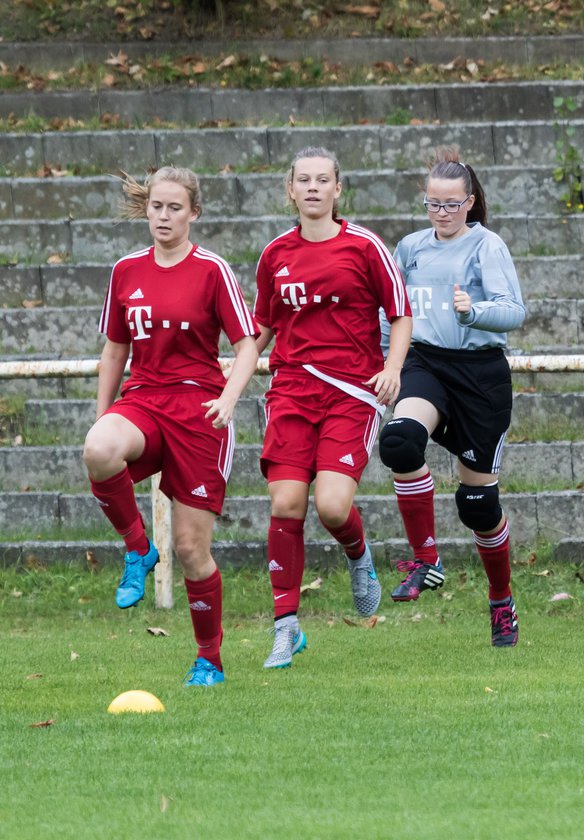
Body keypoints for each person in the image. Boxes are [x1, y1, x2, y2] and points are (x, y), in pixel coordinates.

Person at [83, 166, 259, 687]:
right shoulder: (126, 270)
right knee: (98, 448)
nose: (163, 216)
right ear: (147, 210)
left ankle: (209, 658)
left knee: (190, 549)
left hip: (200, 411)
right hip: (145, 400)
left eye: (174, 208)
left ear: (193, 213)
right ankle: (138, 548)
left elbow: (247, 345)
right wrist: (104, 412)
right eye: (156, 207)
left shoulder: (211, 270)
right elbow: (115, 349)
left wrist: (229, 399)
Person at [254, 146, 412, 668]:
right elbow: (261, 329)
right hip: (293, 390)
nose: (314, 187)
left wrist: (391, 368)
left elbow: (401, 313)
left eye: (324, 179)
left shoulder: (365, 246)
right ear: (291, 191)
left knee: (332, 506)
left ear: (338, 189)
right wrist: (229, 378)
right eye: (305, 180)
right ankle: (286, 627)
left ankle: (357, 555)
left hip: (351, 392)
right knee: (286, 505)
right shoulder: (275, 254)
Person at [377, 146, 527, 648]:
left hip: (480, 376)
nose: (440, 213)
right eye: (432, 204)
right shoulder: (410, 247)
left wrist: (474, 310)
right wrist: (388, 363)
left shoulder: (487, 247)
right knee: (398, 442)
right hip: (427, 363)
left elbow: (513, 312)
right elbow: (392, 312)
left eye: (450, 204)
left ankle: (501, 599)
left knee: (477, 504)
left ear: (469, 202)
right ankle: (426, 559)